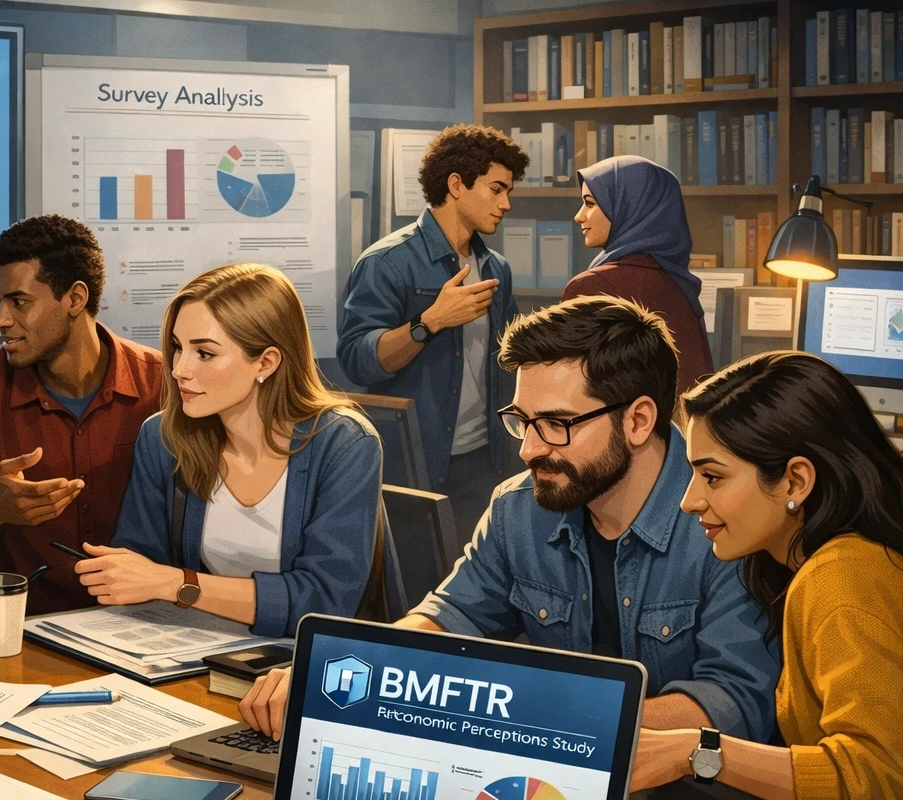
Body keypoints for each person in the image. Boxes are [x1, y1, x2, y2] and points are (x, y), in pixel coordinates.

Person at [242, 296, 779, 741]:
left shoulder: (726, 523)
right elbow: (446, 619)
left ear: (638, 420)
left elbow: (732, 704)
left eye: (556, 424)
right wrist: (344, 673)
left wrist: (547, 719)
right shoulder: (518, 507)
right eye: (522, 421)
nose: (528, 450)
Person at [633, 352, 903, 800]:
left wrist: (697, 750)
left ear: (796, 481)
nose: (689, 499)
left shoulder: (843, 578)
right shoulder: (847, 558)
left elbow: (888, 782)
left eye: (712, 476)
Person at [75, 264, 384, 640]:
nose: (178, 370)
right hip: (188, 649)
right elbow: (139, 575)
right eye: (177, 347)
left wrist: (179, 584)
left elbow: (323, 602)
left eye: (204, 353)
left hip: (292, 665)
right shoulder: (163, 436)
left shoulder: (345, 443)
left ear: (266, 362)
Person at [0, 215, 163, 614]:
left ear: (75, 298)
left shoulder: (161, 382)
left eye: (18, 302)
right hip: (23, 635)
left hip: (152, 626)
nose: (0, 321)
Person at [338, 124, 529, 536]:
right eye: (496, 189)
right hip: (415, 465)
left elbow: (511, 359)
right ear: (456, 184)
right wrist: (430, 322)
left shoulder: (496, 268)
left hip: (487, 460)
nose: (506, 203)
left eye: (507, 191)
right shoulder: (387, 261)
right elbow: (357, 360)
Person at [566, 155, 714, 394]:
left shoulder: (591, 286)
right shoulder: (680, 286)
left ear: (627, 206)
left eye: (590, 203)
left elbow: (570, 389)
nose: (579, 215)